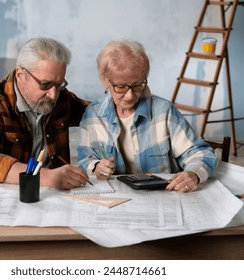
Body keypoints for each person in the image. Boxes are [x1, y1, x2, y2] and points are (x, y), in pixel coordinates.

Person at [77, 39, 219, 192]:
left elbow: (201, 153)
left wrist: (194, 174)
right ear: (105, 80)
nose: (130, 95)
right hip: (114, 196)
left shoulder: (164, 111)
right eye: (121, 87)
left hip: (161, 195)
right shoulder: (93, 115)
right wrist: (96, 166)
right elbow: (85, 159)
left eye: (137, 85)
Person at [0, 37, 91, 189]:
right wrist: (47, 176)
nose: (53, 95)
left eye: (59, 84)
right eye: (45, 84)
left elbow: (94, 112)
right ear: (21, 75)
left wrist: (118, 91)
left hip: (47, 194)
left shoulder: (60, 97)